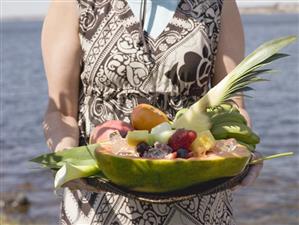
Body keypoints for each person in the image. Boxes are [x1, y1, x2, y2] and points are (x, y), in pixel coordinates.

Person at [41, 0, 263, 224]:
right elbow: (61, 112)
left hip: (198, 204)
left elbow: (233, 107)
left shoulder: (218, 4)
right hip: (100, 203)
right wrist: (65, 156)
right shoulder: (75, 3)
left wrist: (242, 150)